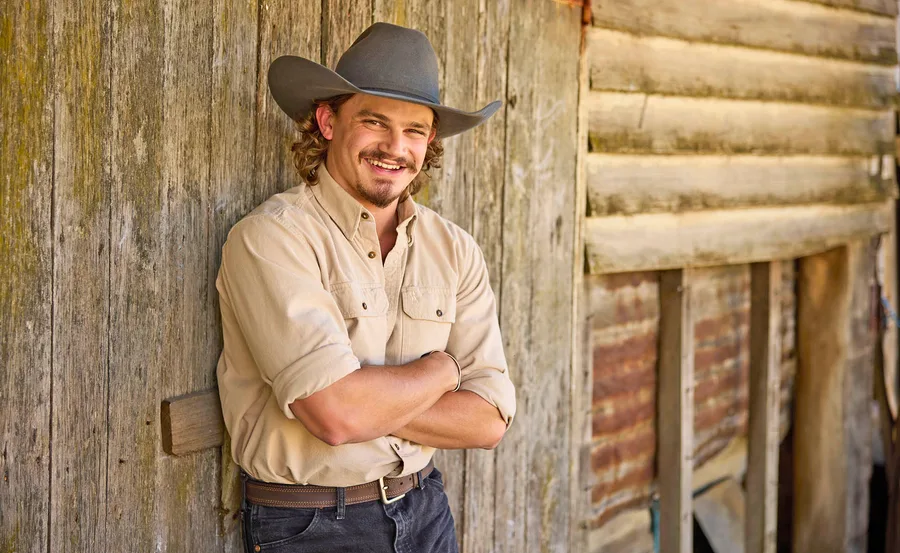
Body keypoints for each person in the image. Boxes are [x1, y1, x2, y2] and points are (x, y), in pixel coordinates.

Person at [215, 22, 516, 553]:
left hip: (425, 510)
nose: (395, 148)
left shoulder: (455, 249)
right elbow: (335, 416)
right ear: (329, 121)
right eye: (374, 122)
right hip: (312, 526)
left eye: (415, 131)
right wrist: (442, 370)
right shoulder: (273, 238)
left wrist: (363, 401)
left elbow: (489, 420)